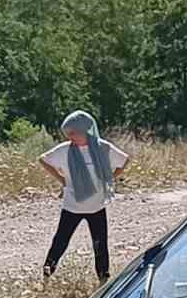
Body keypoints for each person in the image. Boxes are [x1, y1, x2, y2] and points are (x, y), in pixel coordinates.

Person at [40, 110, 130, 281]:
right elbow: (43, 159)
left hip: (97, 206)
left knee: (100, 245)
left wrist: (109, 178)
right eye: (67, 134)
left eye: (73, 133)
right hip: (72, 206)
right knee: (60, 242)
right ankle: (46, 275)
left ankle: (103, 280)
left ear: (84, 130)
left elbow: (124, 160)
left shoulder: (103, 147)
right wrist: (61, 179)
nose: (70, 137)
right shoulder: (64, 150)